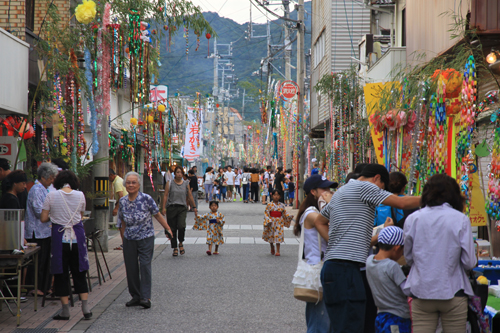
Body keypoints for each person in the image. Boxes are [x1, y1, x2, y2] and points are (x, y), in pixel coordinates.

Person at [314, 163, 421, 332]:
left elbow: (319, 222)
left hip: (331, 268)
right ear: (377, 178)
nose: (381, 194)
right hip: (346, 269)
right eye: (382, 188)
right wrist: (432, 198)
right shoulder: (365, 186)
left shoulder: (342, 191)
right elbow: (401, 203)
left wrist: (336, 241)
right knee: (352, 325)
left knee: (339, 326)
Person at [404, 173, 476, 332]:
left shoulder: (413, 219)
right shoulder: (460, 219)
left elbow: (408, 258)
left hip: (421, 291)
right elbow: (469, 261)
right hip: (453, 290)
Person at [40, 170, 92, 320]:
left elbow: (43, 218)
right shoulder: (80, 195)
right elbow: (80, 216)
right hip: (77, 239)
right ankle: (86, 308)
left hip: (59, 239)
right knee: (80, 272)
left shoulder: (51, 195)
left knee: (61, 273)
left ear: (57, 181)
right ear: (74, 181)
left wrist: (54, 216)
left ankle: (65, 311)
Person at [118, 172, 172, 309]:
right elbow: (122, 223)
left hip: (145, 237)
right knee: (131, 268)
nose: (131, 185)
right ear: (125, 184)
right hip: (129, 239)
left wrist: (168, 229)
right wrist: (123, 240)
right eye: (128, 182)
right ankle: (135, 296)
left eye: (133, 182)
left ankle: (145, 297)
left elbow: (157, 215)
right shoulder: (122, 201)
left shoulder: (146, 199)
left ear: (139, 184)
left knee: (145, 265)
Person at [293, 175, 336, 333]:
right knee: (320, 322)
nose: (329, 192)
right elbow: (333, 226)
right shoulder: (311, 213)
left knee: (327, 321)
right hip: (317, 270)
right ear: (313, 192)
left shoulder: (318, 210)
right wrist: (331, 202)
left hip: (325, 268)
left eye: (330, 188)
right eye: (324, 189)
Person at [366, 226, 411, 333]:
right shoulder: (392, 266)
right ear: (396, 248)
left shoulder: (369, 261)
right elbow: (407, 290)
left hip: (380, 317)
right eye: (402, 251)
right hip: (397, 317)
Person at [25, 162, 59, 296]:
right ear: (44, 177)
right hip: (37, 231)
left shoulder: (45, 189)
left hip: (45, 230)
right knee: (38, 261)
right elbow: (39, 211)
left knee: (45, 260)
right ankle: (35, 287)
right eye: (50, 178)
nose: (52, 181)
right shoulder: (37, 189)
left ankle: (44, 286)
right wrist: (54, 214)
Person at [162, 166, 197, 256]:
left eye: (181, 172)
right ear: (174, 173)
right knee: (172, 229)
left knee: (181, 226)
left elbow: (189, 195)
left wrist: (194, 207)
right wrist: (163, 208)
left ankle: (180, 242)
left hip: (182, 208)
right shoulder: (169, 183)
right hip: (171, 208)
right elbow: (165, 195)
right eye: (177, 172)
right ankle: (175, 248)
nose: (179, 174)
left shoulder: (186, 183)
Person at [262, 190, 293, 256]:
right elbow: (266, 213)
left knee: (278, 235)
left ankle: (278, 251)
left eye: (277, 195)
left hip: (279, 222)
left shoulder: (282, 205)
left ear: (280, 196)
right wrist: (268, 220)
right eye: (275, 195)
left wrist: (289, 216)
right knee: (271, 235)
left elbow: (284, 213)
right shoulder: (269, 205)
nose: (276, 196)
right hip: (271, 222)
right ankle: (271, 246)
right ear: (272, 196)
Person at [109, 168, 128, 249]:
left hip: (124, 206)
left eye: (108, 177)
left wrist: (116, 208)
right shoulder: (119, 179)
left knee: (121, 226)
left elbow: (121, 196)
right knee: (123, 225)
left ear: (111, 175)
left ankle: (125, 245)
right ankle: (126, 244)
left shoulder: (117, 182)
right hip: (125, 204)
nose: (108, 179)